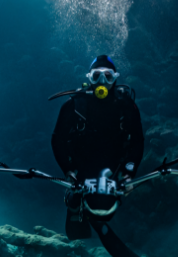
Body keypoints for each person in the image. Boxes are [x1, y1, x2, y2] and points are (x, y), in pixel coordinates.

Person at [51, 55, 144, 241]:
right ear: (89, 78)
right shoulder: (73, 106)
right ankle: (75, 205)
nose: (102, 81)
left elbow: (137, 141)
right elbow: (57, 140)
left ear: (115, 78)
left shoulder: (127, 107)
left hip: (114, 169)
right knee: (88, 207)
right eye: (96, 76)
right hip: (81, 169)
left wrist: (128, 173)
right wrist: (68, 172)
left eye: (108, 76)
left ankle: (83, 207)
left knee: (105, 211)